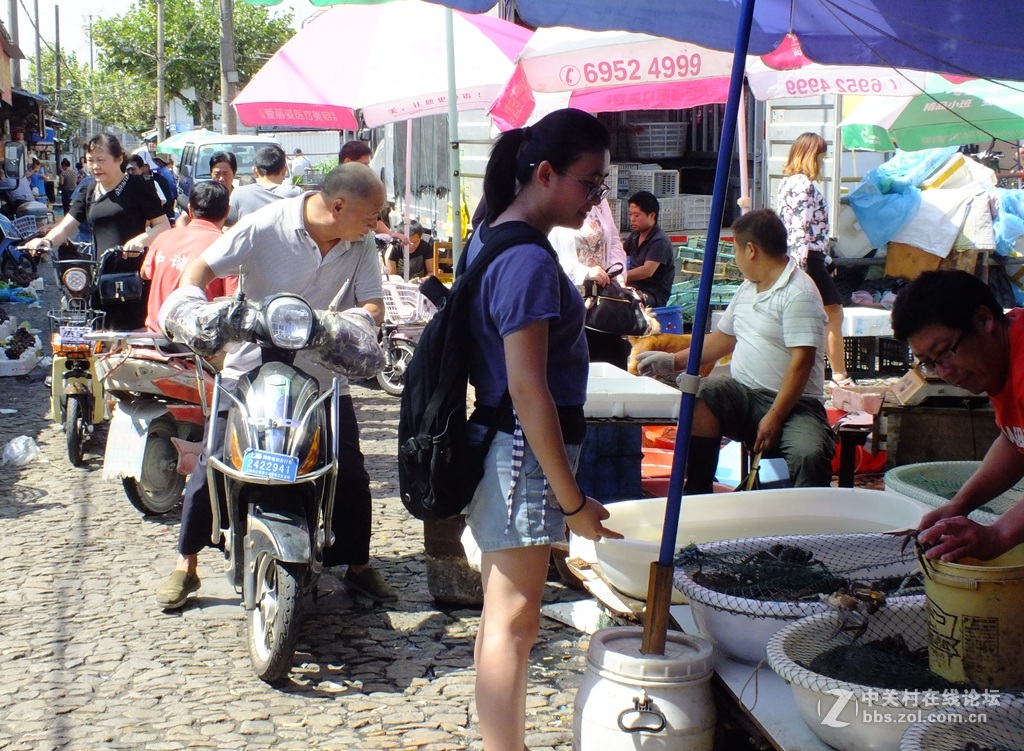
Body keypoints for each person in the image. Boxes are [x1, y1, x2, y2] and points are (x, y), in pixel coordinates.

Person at [154, 162, 398, 609]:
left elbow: (372, 303)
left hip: (324, 374)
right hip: (247, 368)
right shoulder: (267, 224)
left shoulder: (360, 243)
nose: (376, 223)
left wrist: (354, 323)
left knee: (349, 471)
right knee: (214, 463)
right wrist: (191, 304)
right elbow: (202, 268)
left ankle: (358, 567)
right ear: (338, 206)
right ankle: (185, 566)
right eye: (372, 213)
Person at [465, 109, 622, 751]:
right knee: (515, 620)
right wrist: (573, 502)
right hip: (520, 453)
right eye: (590, 183)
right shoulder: (526, 259)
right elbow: (530, 391)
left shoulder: (490, 235)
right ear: (545, 173)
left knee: (503, 615)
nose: (596, 199)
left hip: (507, 447)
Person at [636, 209, 835, 492]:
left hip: (795, 405)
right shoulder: (747, 289)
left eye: (738, 251)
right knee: (703, 395)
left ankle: (804, 526)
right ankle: (698, 491)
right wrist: (671, 362)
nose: (738, 260)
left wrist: (775, 416)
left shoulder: (799, 293)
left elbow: (801, 362)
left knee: (809, 455)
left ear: (751, 250)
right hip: (744, 394)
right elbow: (721, 339)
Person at [891, 270, 1024, 562]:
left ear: (983, 320)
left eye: (945, 352)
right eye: (930, 363)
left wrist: (999, 534)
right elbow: (1016, 440)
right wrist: (959, 505)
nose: (944, 372)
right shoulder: (1002, 352)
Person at [28, 134, 171, 329]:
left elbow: (163, 226)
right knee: (99, 335)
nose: (95, 166)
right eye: (90, 161)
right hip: (99, 278)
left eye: (101, 160)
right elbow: (67, 224)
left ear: (119, 159)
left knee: (131, 337)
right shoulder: (89, 189)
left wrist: (141, 240)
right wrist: (47, 241)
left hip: (131, 278)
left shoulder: (138, 186)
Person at [777, 132, 853, 387]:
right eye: (821, 155)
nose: (823, 161)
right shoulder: (804, 185)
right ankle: (839, 376)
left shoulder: (786, 183)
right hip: (808, 258)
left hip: (805, 257)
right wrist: (801, 266)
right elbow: (801, 227)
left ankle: (819, 374)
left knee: (813, 317)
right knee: (833, 315)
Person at [140, 181, 233, 333]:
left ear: (190, 210)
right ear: (227, 212)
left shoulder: (164, 237)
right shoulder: (228, 246)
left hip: (156, 339)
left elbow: (145, 273)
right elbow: (232, 300)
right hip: (201, 344)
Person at [549, 197, 630, 367]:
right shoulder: (555, 200)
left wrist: (619, 273)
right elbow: (546, 253)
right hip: (571, 297)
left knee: (611, 360)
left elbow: (614, 241)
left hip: (604, 301)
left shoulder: (600, 201)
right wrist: (583, 272)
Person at [339, 140, 407, 242]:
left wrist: (391, 235)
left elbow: (375, 220)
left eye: (368, 165)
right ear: (348, 162)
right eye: (364, 165)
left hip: (362, 246)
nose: (367, 169)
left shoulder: (363, 187)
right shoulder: (332, 189)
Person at [623, 191, 675, 308]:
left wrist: (621, 276)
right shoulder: (635, 236)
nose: (632, 219)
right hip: (632, 287)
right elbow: (620, 252)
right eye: (630, 214)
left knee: (625, 302)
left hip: (652, 295)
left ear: (652, 215)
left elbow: (647, 271)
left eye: (637, 215)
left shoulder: (660, 241)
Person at [228, 144, 303, 223]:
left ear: (255, 171)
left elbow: (228, 226)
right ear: (284, 170)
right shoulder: (296, 194)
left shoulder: (239, 193)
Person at [178, 152, 237, 229]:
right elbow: (182, 220)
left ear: (234, 173)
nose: (221, 179)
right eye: (217, 174)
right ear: (211, 173)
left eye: (225, 174)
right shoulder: (203, 194)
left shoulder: (239, 196)